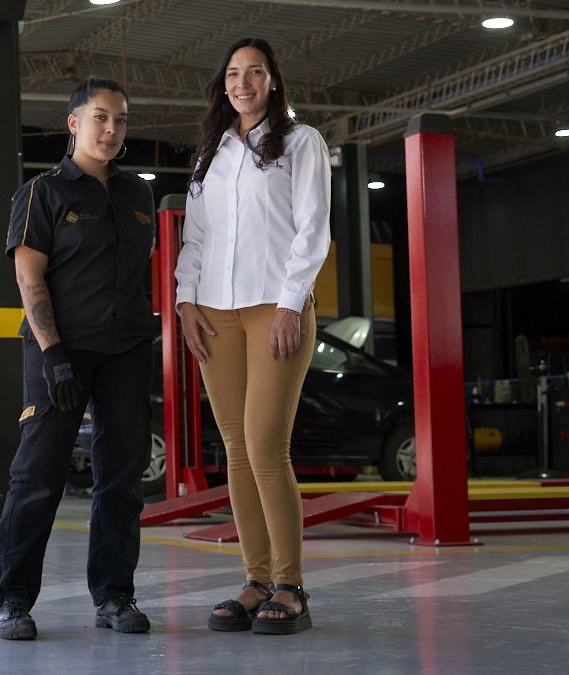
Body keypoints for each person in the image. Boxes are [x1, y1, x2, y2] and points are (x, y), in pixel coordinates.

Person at [0, 77, 159, 640]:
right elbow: (28, 276)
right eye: (100, 118)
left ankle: (114, 595)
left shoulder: (138, 195)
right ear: (74, 124)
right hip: (58, 351)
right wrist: (54, 354)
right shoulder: (43, 193)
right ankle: (13, 598)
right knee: (37, 476)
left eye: (122, 120)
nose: (112, 130)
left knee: (121, 478)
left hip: (127, 350)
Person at [174, 37, 331, 636]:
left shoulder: (300, 142)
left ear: (272, 81)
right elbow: (195, 236)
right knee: (236, 449)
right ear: (223, 85)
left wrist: (292, 304)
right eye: (233, 74)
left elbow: (312, 229)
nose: (243, 83)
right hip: (216, 311)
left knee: (266, 446)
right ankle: (256, 579)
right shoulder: (211, 153)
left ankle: (291, 585)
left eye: (255, 72)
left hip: (275, 306)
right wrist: (186, 300)